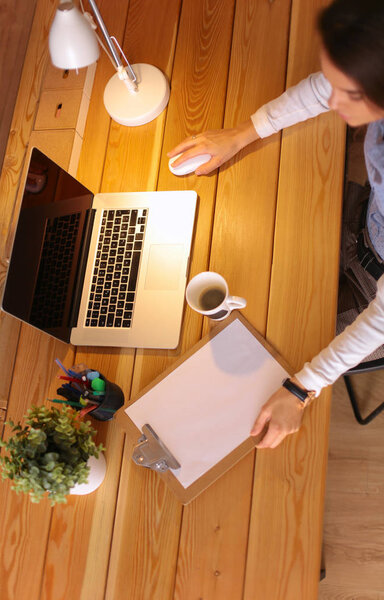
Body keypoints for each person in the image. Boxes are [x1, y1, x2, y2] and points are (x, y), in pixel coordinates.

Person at [168, 0, 384, 448]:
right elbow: (321, 89)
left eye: (349, 93)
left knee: (276, 350)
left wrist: (300, 390)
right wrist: (244, 132)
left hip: (376, 294)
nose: (330, 100)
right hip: (368, 225)